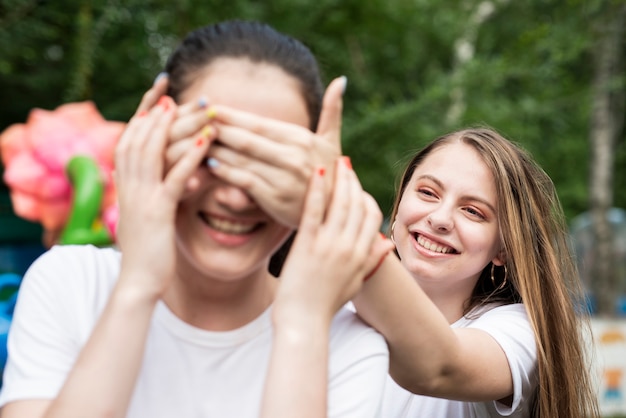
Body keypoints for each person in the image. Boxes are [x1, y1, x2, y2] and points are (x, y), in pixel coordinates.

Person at [0, 20, 392, 418]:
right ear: (149, 143)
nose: (234, 196)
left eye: (268, 164)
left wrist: (301, 326)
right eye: (209, 153)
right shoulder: (72, 283)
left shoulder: (349, 348)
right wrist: (138, 285)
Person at [201, 125, 600, 417]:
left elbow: (438, 366)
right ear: (398, 206)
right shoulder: (331, 313)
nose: (440, 218)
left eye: (473, 211)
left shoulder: (518, 333)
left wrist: (331, 207)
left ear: (504, 250)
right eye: (427, 192)